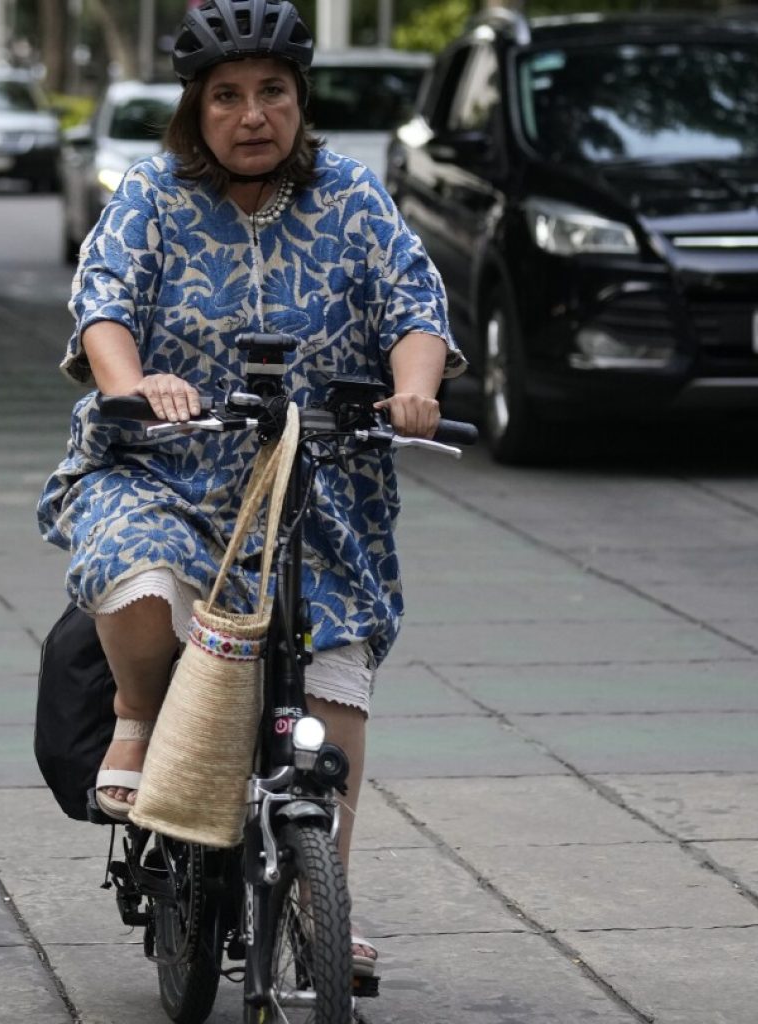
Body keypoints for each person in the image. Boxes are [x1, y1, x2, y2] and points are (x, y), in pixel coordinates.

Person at [37, 0, 466, 976]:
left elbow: (413, 300)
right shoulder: (152, 193)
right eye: (226, 96)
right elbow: (102, 302)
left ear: (299, 100)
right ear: (196, 110)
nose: (252, 114)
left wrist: (413, 389)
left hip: (317, 488)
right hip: (168, 469)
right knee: (136, 574)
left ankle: (324, 895)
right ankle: (140, 719)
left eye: (271, 91)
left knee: (335, 667)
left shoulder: (352, 195)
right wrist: (130, 383)